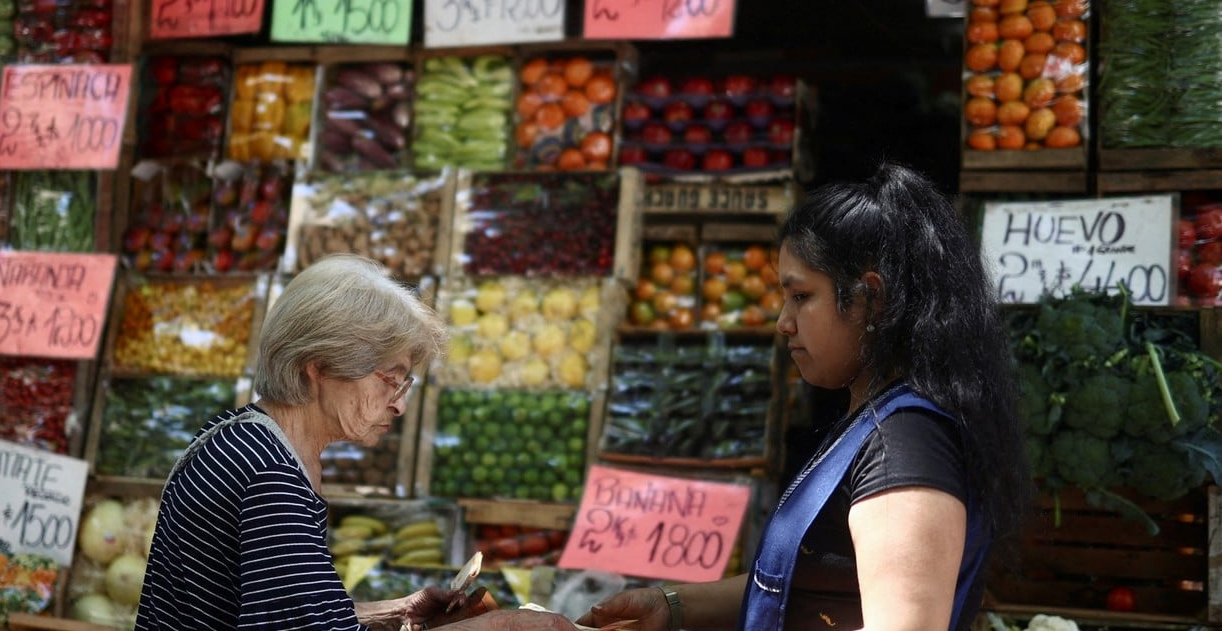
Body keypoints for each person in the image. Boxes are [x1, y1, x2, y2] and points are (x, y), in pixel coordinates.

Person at [579, 163, 1030, 631]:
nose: (783, 322)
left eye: (801, 296)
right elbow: (815, 581)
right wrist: (673, 605)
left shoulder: (906, 445)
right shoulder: (877, 421)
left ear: (869, 298)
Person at [136, 254, 577, 631]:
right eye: (391, 379)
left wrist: (393, 610)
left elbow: (273, 611)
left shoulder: (236, 435)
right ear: (319, 366)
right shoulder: (269, 475)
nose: (400, 406)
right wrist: (498, 625)